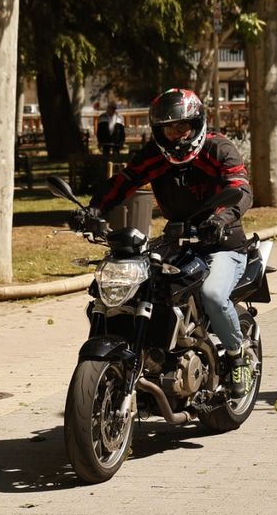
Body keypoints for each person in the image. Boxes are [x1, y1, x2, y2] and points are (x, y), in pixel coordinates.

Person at [73, 88, 254, 396]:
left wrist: (219, 221)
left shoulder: (218, 148)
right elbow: (125, 181)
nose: (176, 134)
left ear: (197, 124)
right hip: (178, 240)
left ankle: (237, 358)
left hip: (222, 242)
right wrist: (92, 210)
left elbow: (240, 188)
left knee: (212, 295)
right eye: (168, 128)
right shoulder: (155, 156)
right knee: (138, 286)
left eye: (182, 126)